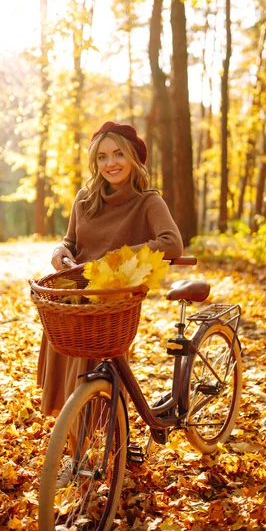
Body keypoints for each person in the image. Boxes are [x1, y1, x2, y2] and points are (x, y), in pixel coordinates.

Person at [37, 120, 183, 416]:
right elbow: (70, 242)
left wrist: (119, 257)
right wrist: (59, 251)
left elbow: (172, 243)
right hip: (76, 295)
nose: (110, 163)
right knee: (71, 362)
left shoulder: (147, 201)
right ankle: (78, 442)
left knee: (101, 366)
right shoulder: (84, 199)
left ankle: (108, 441)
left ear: (133, 156)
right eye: (102, 157)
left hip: (114, 297)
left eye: (118, 154)